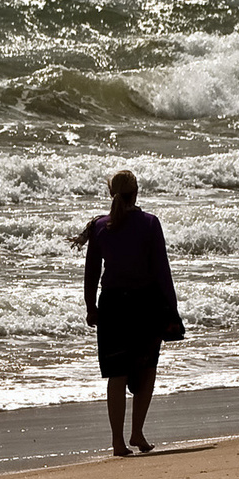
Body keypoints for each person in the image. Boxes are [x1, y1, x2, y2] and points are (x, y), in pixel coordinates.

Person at [77, 170, 181, 457]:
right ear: (137, 193)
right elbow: (162, 270)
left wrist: (91, 307)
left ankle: (118, 441)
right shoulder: (149, 223)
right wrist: (171, 308)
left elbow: (91, 273)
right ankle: (137, 432)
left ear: (112, 194)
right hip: (145, 305)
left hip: (112, 305)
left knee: (116, 374)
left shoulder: (100, 226)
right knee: (147, 369)